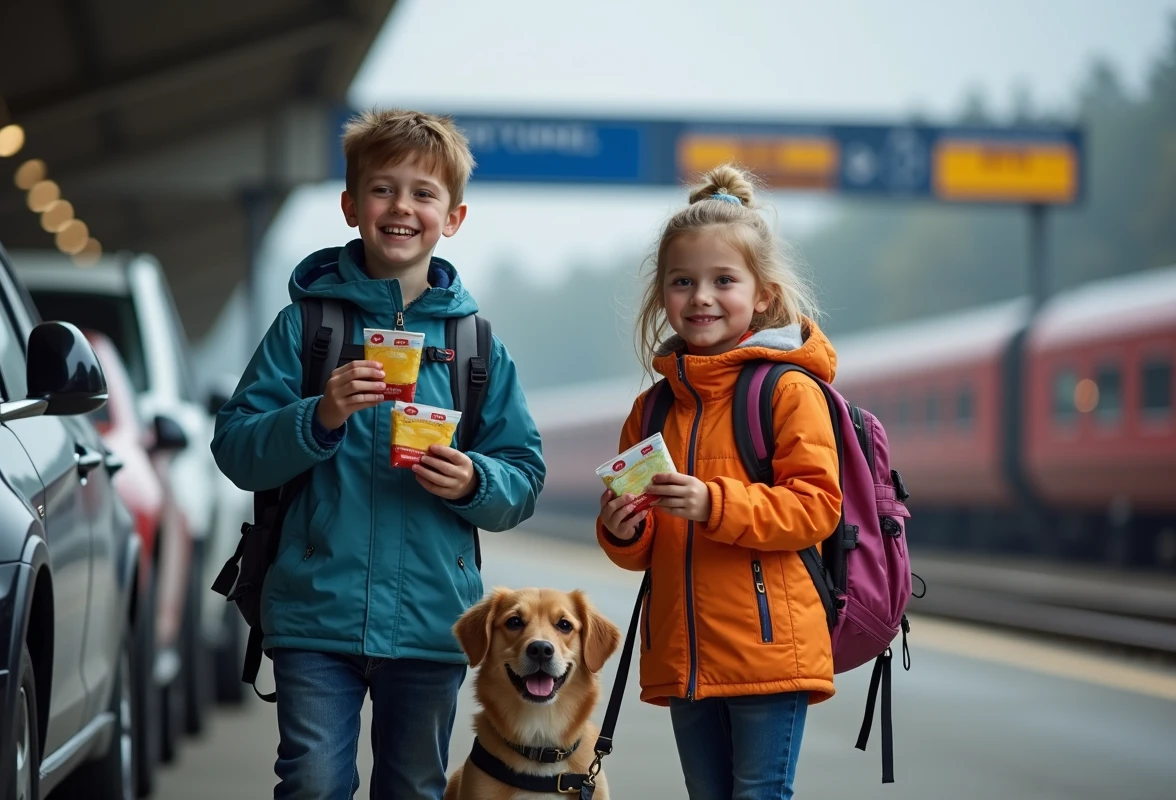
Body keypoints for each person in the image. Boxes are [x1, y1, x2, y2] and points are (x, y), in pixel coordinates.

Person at [211, 108, 546, 799]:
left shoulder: (476, 346)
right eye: (383, 189)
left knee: (412, 787)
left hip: (431, 621)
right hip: (314, 611)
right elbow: (238, 449)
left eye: (424, 194)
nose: (402, 207)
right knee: (311, 781)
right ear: (350, 205)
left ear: (452, 217)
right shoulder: (308, 327)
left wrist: (474, 478)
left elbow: (523, 476)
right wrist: (319, 415)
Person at [596, 164, 843, 800]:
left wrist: (713, 501)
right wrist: (622, 530)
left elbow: (816, 509)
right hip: (685, 656)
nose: (701, 296)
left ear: (762, 294)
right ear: (663, 296)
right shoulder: (651, 410)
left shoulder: (786, 391)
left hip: (769, 650)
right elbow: (642, 546)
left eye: (723, 280)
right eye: (683, 282)